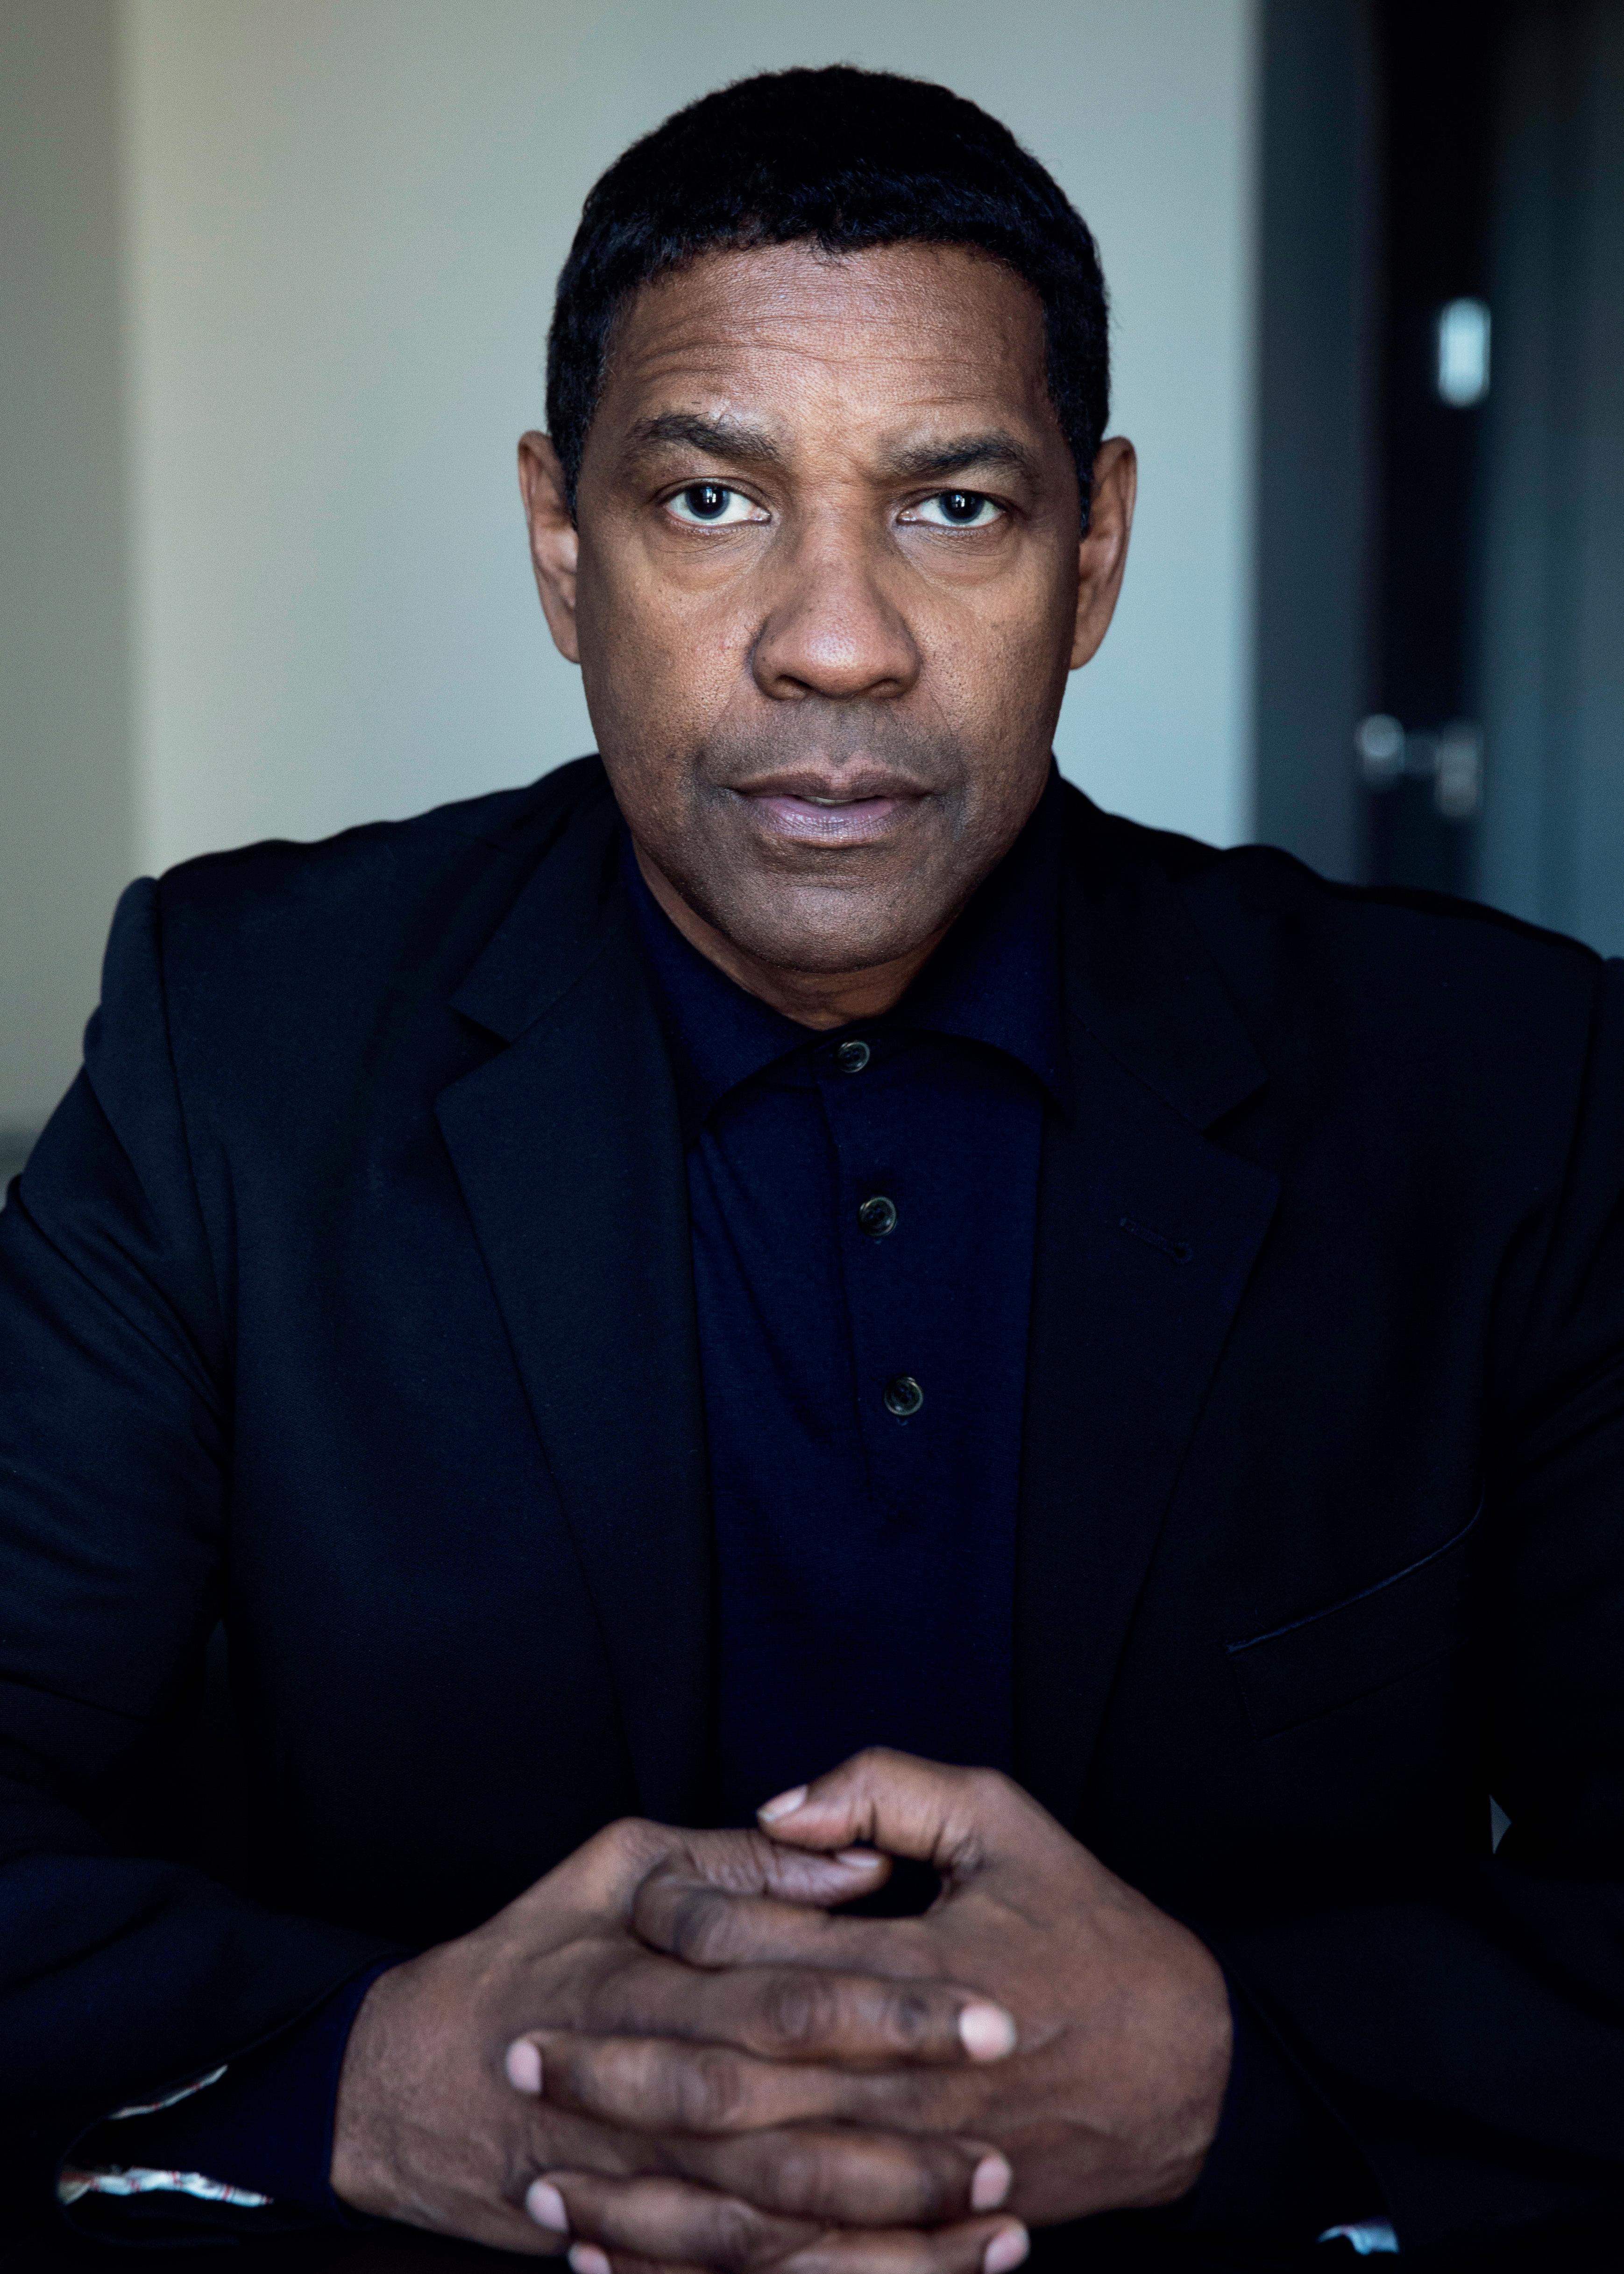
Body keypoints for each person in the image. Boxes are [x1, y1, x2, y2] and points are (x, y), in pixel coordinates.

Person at [2, 62, 1622, 2274]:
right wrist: (375, 2075)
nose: (836, 637)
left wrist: (1240, 2069)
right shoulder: (237, 1053)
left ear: (1094, 551)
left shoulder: (1499, 1088)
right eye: (709, 499)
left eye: (953, 505)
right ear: (562, 546)